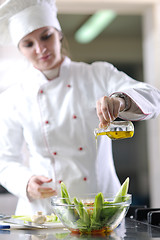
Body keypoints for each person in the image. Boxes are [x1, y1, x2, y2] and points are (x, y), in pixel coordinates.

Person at [0, 0, 160, 215]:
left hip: (99, 206)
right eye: (28, 44)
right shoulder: (13, 97)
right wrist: (26, 182)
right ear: (20, 49)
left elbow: (153, 97)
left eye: (46, 36)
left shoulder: (98, 74)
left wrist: (122, 100)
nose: (40, 49)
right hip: (44, 212)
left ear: (58, 34)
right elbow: (5, 160)